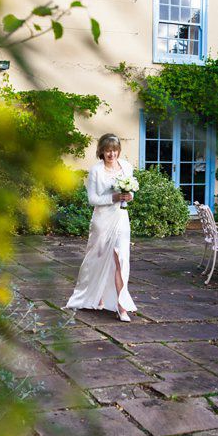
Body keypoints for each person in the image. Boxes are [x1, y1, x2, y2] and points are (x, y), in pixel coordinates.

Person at [64, 133, 137, 322]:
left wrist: (129, 197)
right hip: (102, 220)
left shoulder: (126, 167)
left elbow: (130, 192)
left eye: (114, 150)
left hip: (121, 218)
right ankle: (97, 297)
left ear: (119, 151)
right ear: (101, 151)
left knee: (121, 259)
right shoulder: (96, 170)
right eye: (107, 150)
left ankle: (122, 306)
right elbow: (92, 199)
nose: (111, 154)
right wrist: (113, 198)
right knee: (97, 258)